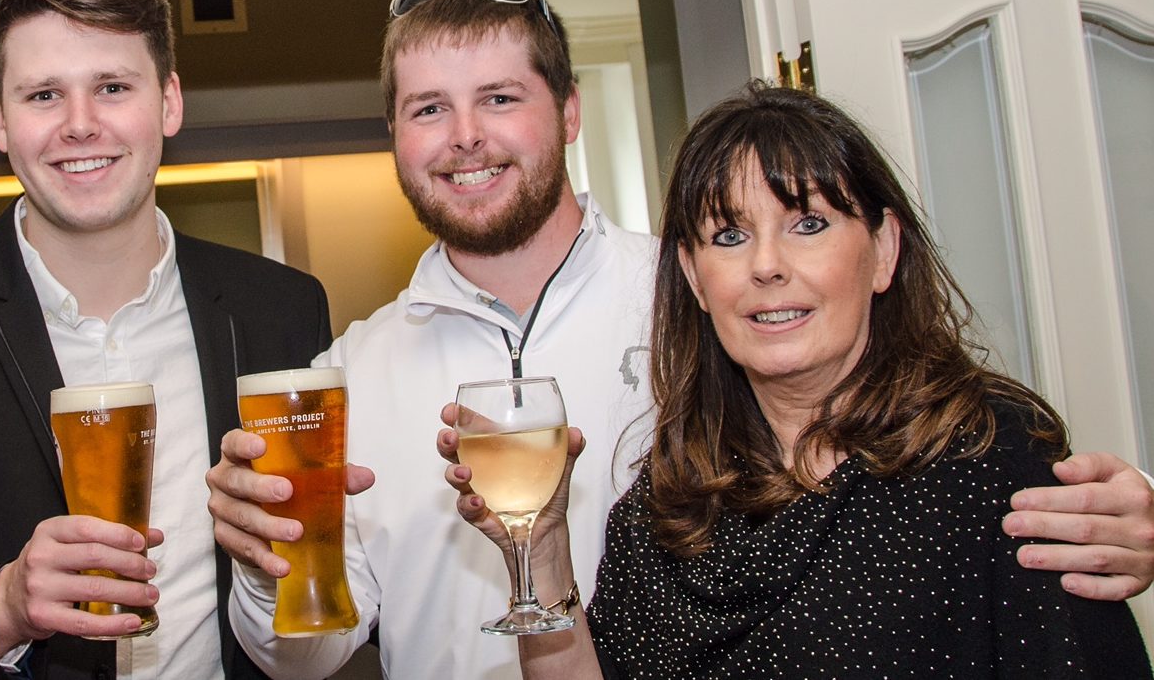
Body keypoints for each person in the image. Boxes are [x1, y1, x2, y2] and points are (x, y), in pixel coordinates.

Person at [205, 0, 1154, 679]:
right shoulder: (347, 374)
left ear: (568, 113)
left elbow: (944, 442)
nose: (465, 137)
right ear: (395, 137)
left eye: (500, 97)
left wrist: (1133, 505)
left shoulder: (713, 294)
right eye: (428, 109)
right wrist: (265, 564)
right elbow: (308, 656)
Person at [444, 80, 1152, 677]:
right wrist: (541, 548)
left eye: (807, 223)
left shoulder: (987, 463)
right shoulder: (662, 509)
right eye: (728, 235)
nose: (765, 265)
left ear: (881, 251)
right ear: (692, 276)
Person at [0, 0, 332, 680]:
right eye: (43, 95)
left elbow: (311, 598)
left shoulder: (282, 308)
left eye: (113, 86)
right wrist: (3, 604)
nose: (80, 125)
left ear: (170, 101)